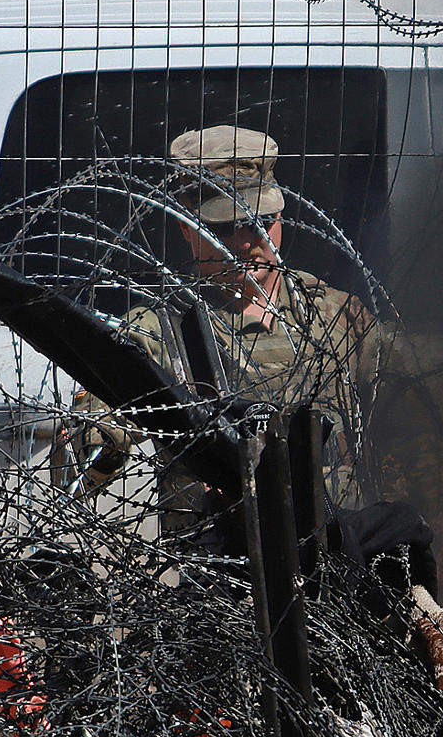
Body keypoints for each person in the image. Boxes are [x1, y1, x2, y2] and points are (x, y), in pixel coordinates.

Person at [69, 125, 383, 541]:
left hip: (340, 556)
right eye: (224, 228)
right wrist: (101, 438)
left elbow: (416, 409)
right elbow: (94, 438)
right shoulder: (161, 330)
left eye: (261, 222)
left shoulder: (337, 315)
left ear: (281, 216)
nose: (247, 241)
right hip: (223, 572)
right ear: (185, 227)